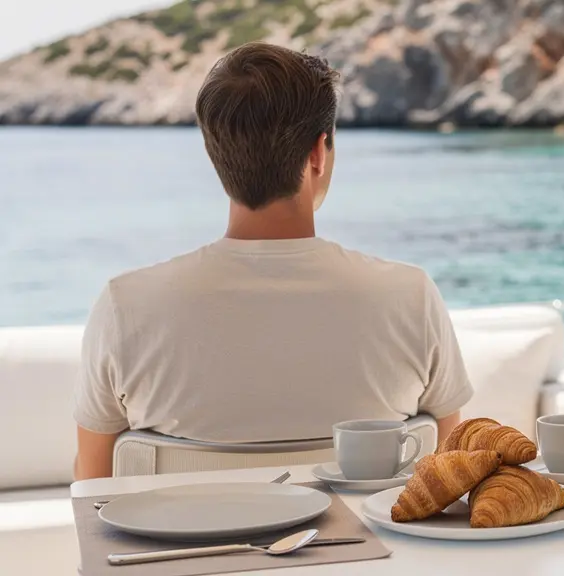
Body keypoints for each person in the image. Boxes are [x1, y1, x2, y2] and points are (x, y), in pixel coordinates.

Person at [72, 43, 473, 480]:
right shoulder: (409, 295)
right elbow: (447, 472)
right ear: (318, 152)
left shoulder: (126, 305)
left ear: (214, 154)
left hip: (183, 551)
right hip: (367, 549)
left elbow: (93, 486)